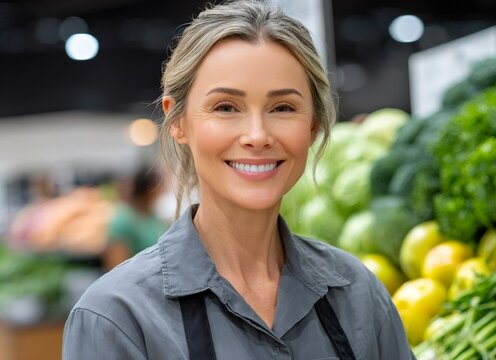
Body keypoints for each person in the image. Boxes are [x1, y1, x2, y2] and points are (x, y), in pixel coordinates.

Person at [62, 1, 415, 359]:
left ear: (312, 126)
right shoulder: (117, 318)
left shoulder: (357, 293)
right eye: (226, 107)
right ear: (178, 122)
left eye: (283, 108)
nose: (257, 135)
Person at [102, 166, 168, 270]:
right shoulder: (124, 219)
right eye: (161, 186)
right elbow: (116, 265)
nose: (164, 190)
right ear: (151, 188)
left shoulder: (153, 216)